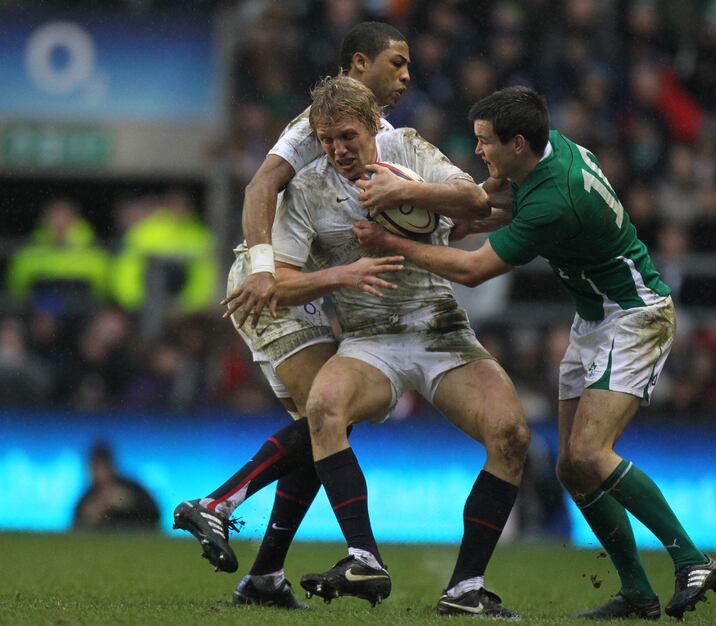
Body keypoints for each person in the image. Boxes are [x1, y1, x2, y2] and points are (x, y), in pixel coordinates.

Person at [354, 86, 716, 621]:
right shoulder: (548, 156)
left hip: (634, 315)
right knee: (574, 468)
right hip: (594, 318)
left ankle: (692, 559)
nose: (479, 152)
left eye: (486, 142)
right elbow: (495, 200)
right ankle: (638, 594)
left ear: (519, 143)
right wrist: (456, 212)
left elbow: (474, 271)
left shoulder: (557, 198)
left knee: (593, 455)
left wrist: (395, 243)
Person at [172, 22, 489, 611]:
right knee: (328, 418)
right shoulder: (314, 131)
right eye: (396, 63)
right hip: (272, 285)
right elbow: (261, 184)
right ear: (360, 64)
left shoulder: (388, 140)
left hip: (305, 283)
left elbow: (465, 206)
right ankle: (219, 504)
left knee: (326, 432)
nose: (406, 76)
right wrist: (266, 268)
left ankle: (265, 574)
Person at [269, 74, 530, 618]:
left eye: (347, 136)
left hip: (441, 329)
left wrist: (402, 190)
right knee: (322, 407)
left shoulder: (407, 148)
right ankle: (363, 557)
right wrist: (345, 274)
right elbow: (282, 283)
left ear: (372, 128)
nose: (338, 150)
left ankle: (464, 589)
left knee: (510, 433)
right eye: (326, 139)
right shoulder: (307, 190)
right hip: (369, 339)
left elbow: (473, 199)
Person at [73, 443, 160, 531]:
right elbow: (75, 527)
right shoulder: (89, 496)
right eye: (93, 467)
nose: (95, 472)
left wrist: (128, 501)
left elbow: (155, 514)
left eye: (99, 466)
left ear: (110, 467)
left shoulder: (132, 487)